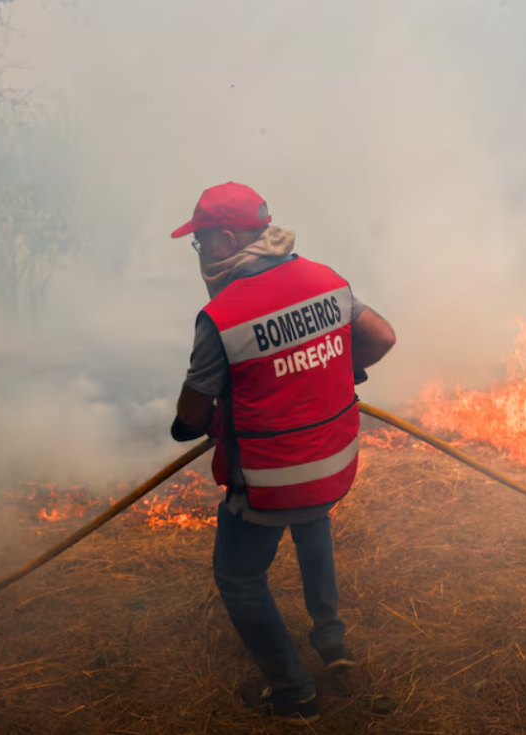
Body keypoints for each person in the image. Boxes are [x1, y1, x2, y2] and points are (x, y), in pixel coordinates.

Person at [169, 182, 396, 723]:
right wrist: (337, 371)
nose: (200, 253)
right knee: (313, 519)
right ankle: (331, 641)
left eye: (201, 242)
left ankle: (294, 694)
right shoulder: (325, 279)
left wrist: (188, 426)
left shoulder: (221, 318)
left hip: (272, 480)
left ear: (225, 239)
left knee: (239, 578)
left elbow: (192, 418)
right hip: (335, 464)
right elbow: (381, 338)